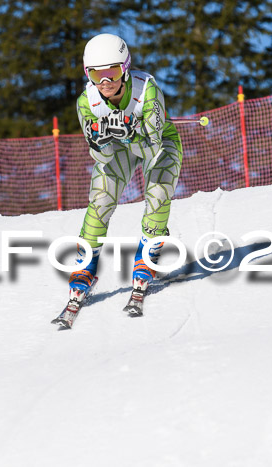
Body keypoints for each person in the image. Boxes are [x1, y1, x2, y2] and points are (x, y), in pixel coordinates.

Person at [69, 33, 183, 303]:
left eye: (113, 72)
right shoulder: (87, 103)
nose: (105, 82)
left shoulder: (147, 90)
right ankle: (86, 263)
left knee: (159, 187)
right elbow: (104, 158)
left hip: (156, 141)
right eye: (97, 76)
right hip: (119, 148)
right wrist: (100, 142)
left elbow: (152, 148)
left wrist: (131, 132)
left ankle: (149, 251)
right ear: (88, 75)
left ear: (126, 68)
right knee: (101, 197)